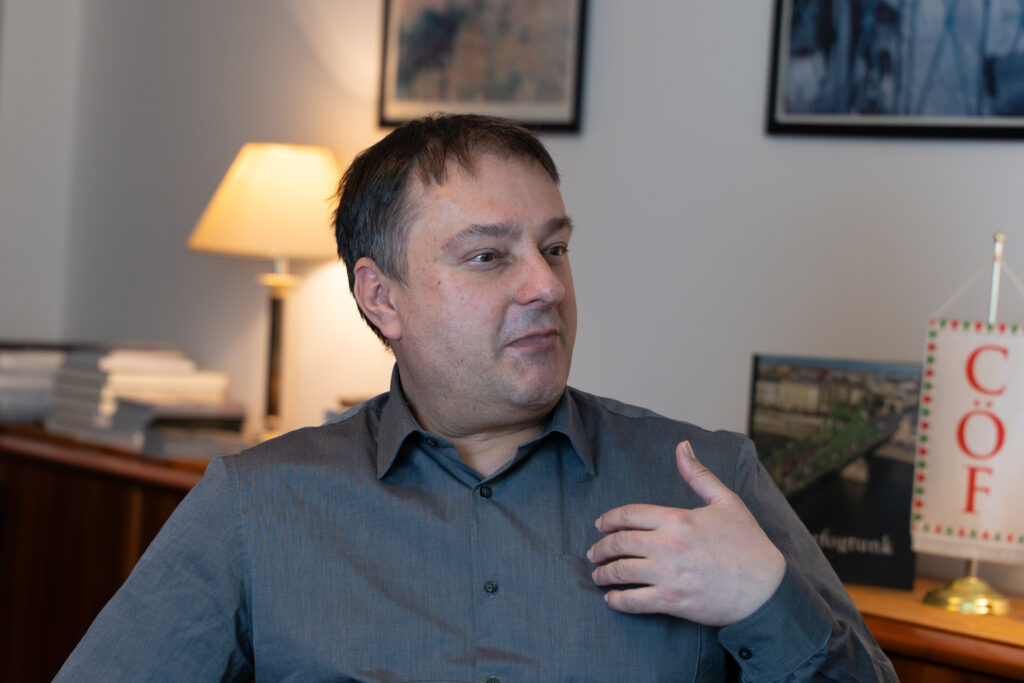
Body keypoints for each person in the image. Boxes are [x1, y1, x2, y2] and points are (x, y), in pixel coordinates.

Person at [57, 114, 897, 681]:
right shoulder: (257, 506)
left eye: (554, 248)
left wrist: (765, 599)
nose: (547, 286)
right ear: (381, 297)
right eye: (489, 257)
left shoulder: (704, 481)